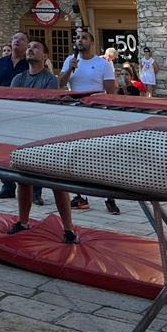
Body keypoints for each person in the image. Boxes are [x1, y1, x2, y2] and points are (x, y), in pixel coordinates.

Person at [8, 40, 76, 243]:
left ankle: (68, 228)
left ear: (45, 56)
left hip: (45, 135)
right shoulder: (18, 78)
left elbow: (44, 106)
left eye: (36, 47)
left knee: (57, 184)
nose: (30, 49)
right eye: (29, 46)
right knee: (24, 180)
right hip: (22, 133)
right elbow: (12, 105)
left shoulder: (50, 80)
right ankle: (23, 221)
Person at [59, 30, 118, 213]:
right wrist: (70, 68)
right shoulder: (70, 60)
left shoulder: (103, 64)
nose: (80, 40)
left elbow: (111, 91)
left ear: (92, 42)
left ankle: (109, 196)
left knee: (101, 156)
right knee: (76, 154)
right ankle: (79, 196)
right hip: (76, 114)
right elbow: (60, 84)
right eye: (77, 38)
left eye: (84, 38)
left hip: (97, 114)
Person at [0, 32, 29, 200]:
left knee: (27, 149)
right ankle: (7, 185)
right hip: (2, 111)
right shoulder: (1, 62)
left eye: (21, 39)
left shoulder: (30, 64)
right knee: (2, 149)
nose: (17, 41)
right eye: (14, 38)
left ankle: (34, 190)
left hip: (24, 113)